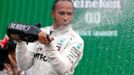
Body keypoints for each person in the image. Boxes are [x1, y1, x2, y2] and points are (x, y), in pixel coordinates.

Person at [14, 0, 84, 75]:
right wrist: (20, 42)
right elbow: (23, 65)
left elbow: (63, 69)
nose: (66, 18)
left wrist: (49, 45)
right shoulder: (40, 32)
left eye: (69, 14)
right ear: (52, 14)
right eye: (62, 13)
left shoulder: (76, 40)